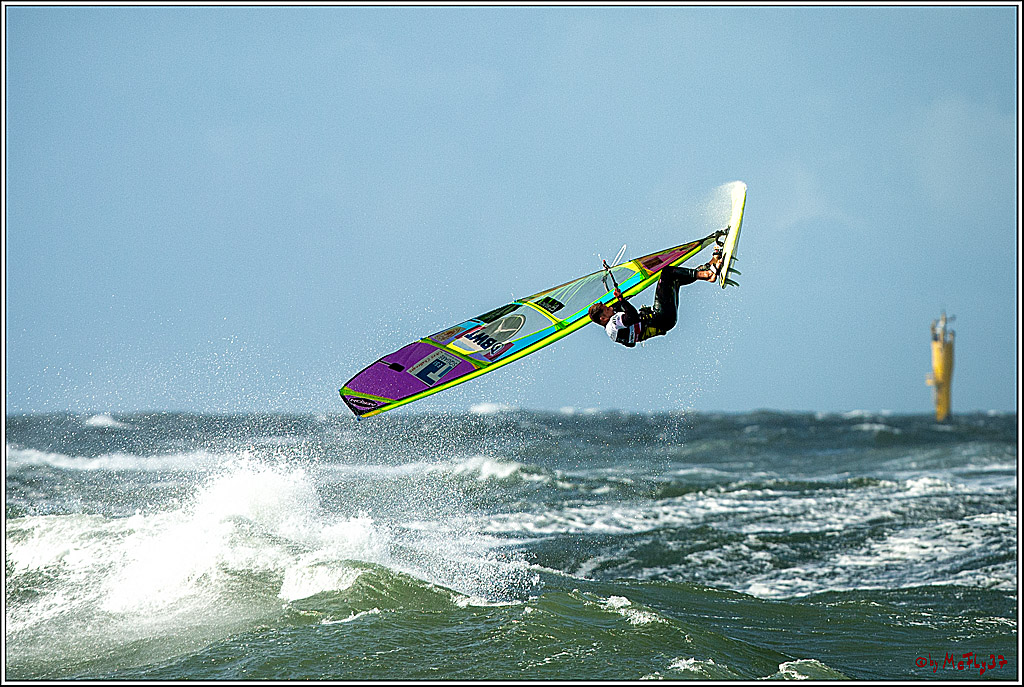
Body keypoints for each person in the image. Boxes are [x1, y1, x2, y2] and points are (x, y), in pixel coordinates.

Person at [587, 248, 723, 348]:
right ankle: (708, 274)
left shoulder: (612, 334)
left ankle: (711, 264)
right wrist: (621, 300)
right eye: (606, 309)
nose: (610, 308)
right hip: (660, 316)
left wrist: (619, 302)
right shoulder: (614, 323)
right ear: (603, 318)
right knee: (667, 273)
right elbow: (632, 316)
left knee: (676, 280)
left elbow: (631, 344)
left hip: (666, 323)